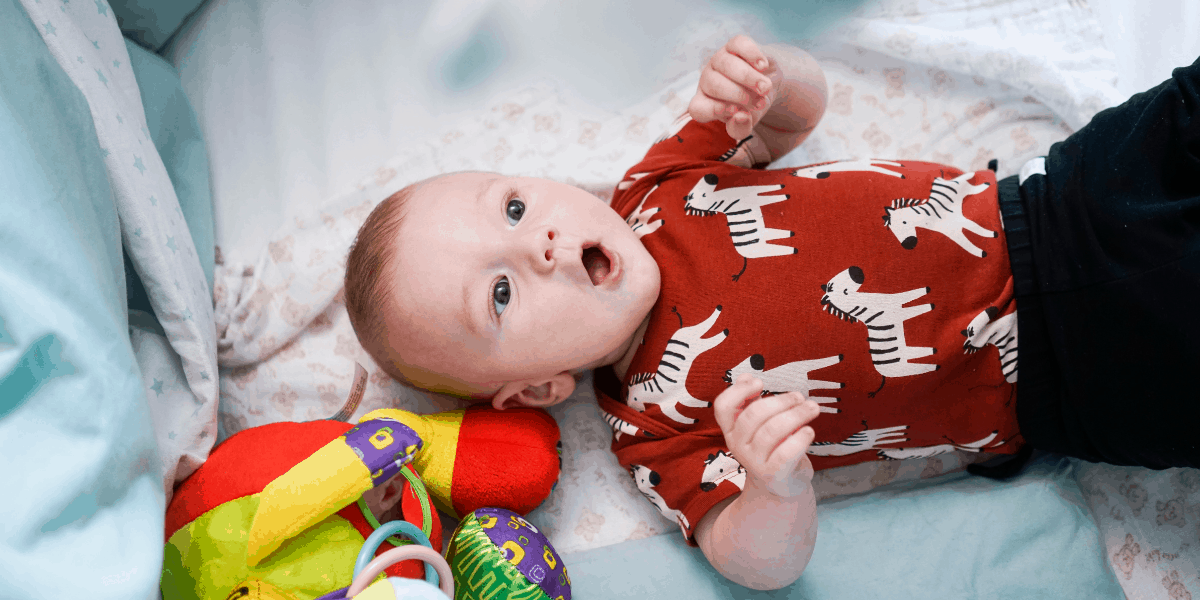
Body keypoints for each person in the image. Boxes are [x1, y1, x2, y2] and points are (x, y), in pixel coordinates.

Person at [342, 34, 1200, 590]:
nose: (538, 246)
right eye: (500, 294)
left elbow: (799, 114)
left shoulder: (656, 187)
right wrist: (774, 487)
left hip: (1052, 205)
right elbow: (756, 563)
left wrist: (770, 81)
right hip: (1064, 364)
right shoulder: (654, 431)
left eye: (515, 207)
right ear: (533, 388)